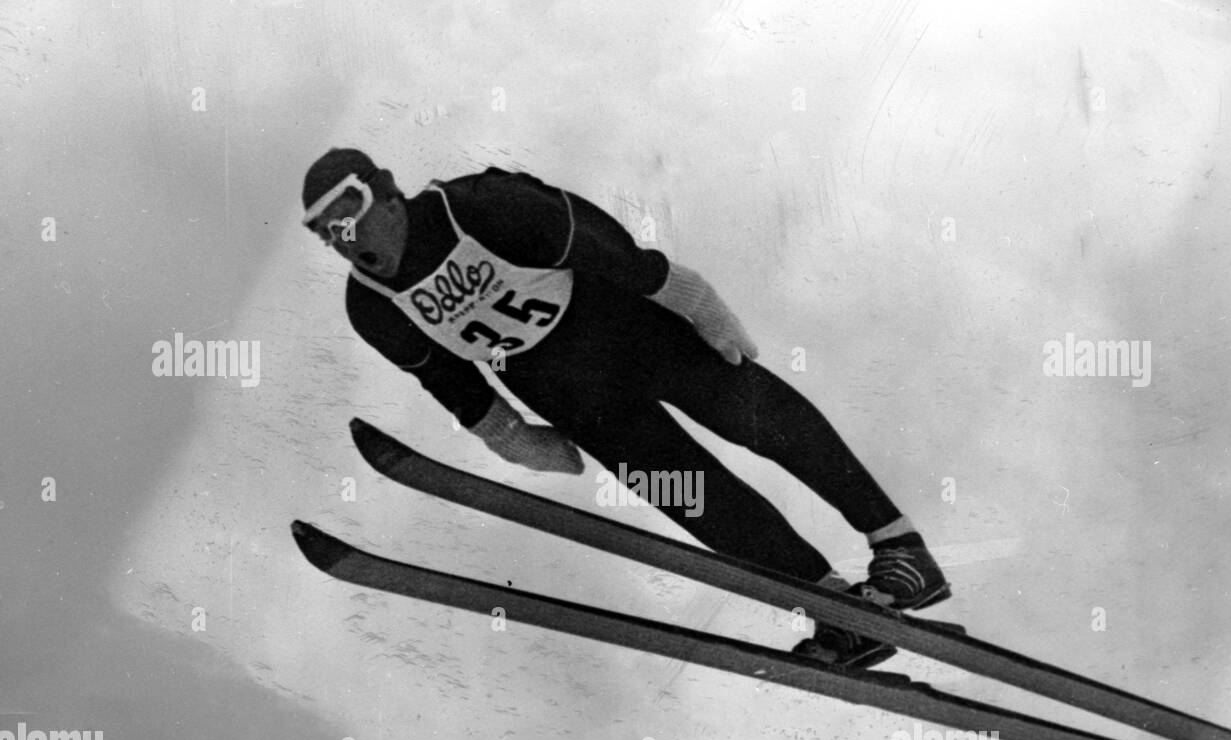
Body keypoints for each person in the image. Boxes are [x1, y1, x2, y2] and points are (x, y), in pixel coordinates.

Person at [300, 147, 949, 664]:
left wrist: (680, 293)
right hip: (567, 391)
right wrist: (506, 433)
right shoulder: (371, 307)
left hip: (624, 327)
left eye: (349, 208)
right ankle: (832, 606)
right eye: (326, 230)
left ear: (386, 187)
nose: (345, 233)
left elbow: (591, 238)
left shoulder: (476, 208)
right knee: (692, 495)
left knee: (750, 416)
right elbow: (445, 378)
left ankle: (899, 547)